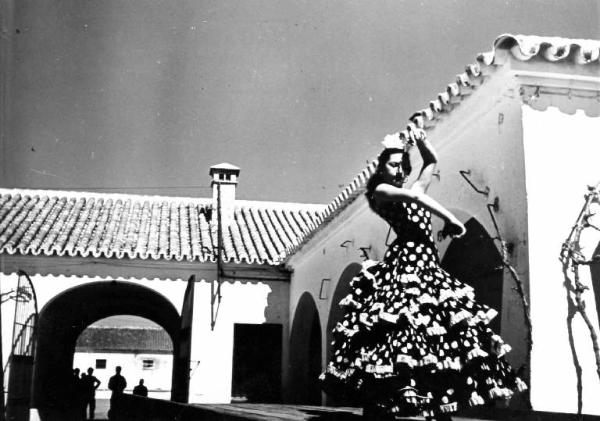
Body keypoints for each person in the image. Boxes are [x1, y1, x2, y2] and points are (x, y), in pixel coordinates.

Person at [320, 128, 527, 420]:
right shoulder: (380, 190)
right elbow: (416, 199)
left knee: (437, 331)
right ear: (381, 168)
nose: (399, 169)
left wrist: (421, 141)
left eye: (402, 165)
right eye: (392, 164)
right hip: (405, 265)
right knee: (399, 330)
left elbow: (431, 161)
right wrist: (452, 219)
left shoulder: (414, 187)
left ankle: (435, 400)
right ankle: (387, 399)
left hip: (428, 267)